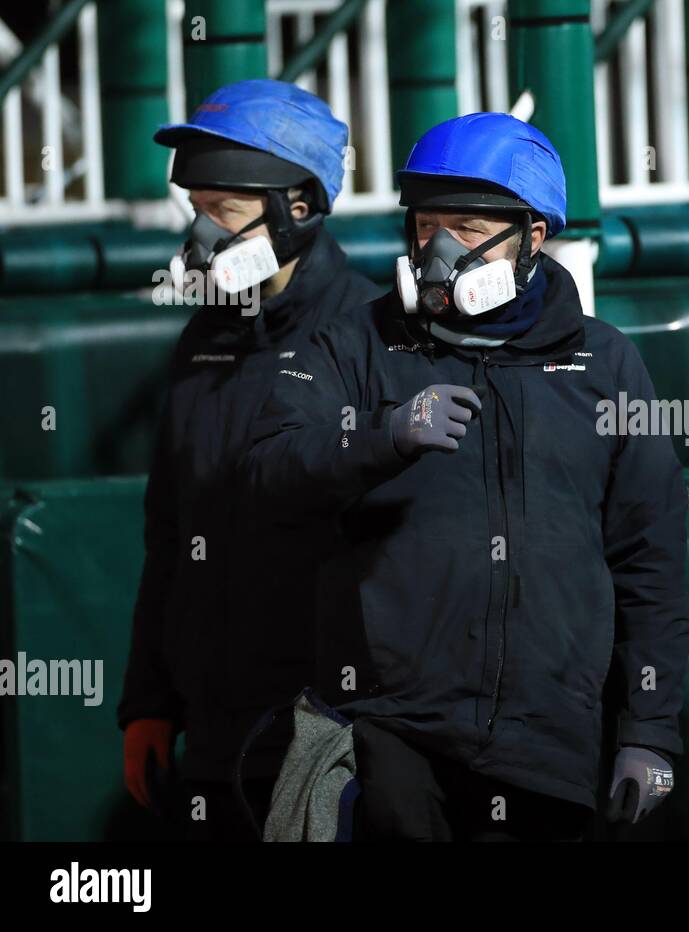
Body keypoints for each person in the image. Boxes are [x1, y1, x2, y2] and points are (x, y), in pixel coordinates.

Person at [241, 112, 689, 841]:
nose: (441, 248)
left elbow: (650, 562)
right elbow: (265, 476)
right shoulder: (354, 343)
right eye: (427, 226)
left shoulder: (606, 366)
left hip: (551, 741)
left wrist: (650, 730)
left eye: (470, 228)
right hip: (394, 731)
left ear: (534, 238)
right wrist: (379, 438)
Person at [118, 79, 381, 841]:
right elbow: (170, 537)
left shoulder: (369, 338)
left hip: (331, 740)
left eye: (223, 212)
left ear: (298, 208)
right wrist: (149, 705)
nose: (201, 236)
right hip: (214, 739)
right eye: (195, 208)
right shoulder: (202, 343)